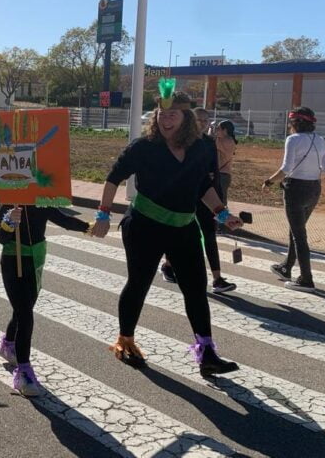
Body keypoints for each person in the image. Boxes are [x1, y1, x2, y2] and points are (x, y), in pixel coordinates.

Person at [91, 89, 242, 377]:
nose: (166, 119)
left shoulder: (203, 148)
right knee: (139, 284)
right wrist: (102, 213)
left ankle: (207, 352)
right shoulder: (143, 147)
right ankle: (126, 341)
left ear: (187, 118)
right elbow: (113, 178)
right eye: (162, 114)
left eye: (173, 114)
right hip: (144, 226)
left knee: (196, 290)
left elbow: (202, 187)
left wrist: (222, 213)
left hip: (183, 228)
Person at [0, 204, 92, 397]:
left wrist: (88, 227)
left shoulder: (42, 202)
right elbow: (0, 238)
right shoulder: (9, 203)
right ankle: (24, 372)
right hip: (13, 262)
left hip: (35, 260)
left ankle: (8, 344)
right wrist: (9, 222)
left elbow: (63, 220)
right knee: (25, 314)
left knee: (23, 310)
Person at [161, 108, 236, 293]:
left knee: (209, 234)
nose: (202, 123)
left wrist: (220, 201)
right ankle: (168, 265)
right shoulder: (180, 141)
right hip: (184, 195)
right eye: (198, 120)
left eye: (206, 120)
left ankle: (217, 278)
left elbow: (214, 173)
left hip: (207, 196)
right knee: (178, 233)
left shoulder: (210, 143)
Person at [262, 107, 325, 293]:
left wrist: (269, 181)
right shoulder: (321, 140)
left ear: (295, 123)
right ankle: (286, 267)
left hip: (295, 189)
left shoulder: (292, 140)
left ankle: (306, 279)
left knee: (299, 235)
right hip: (314, 188)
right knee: (297, 230)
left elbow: (286, 168)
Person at [215, 120, 237, 206]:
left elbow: (209, 140)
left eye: (218, 128)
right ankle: (222, 218)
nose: (217, 130)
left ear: (225, 130)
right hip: (223, 174)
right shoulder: (229, 140)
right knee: (220, 200)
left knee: (220, 202)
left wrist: (210, 129)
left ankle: (224, 218)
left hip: (222, 175)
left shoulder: (225, 141)